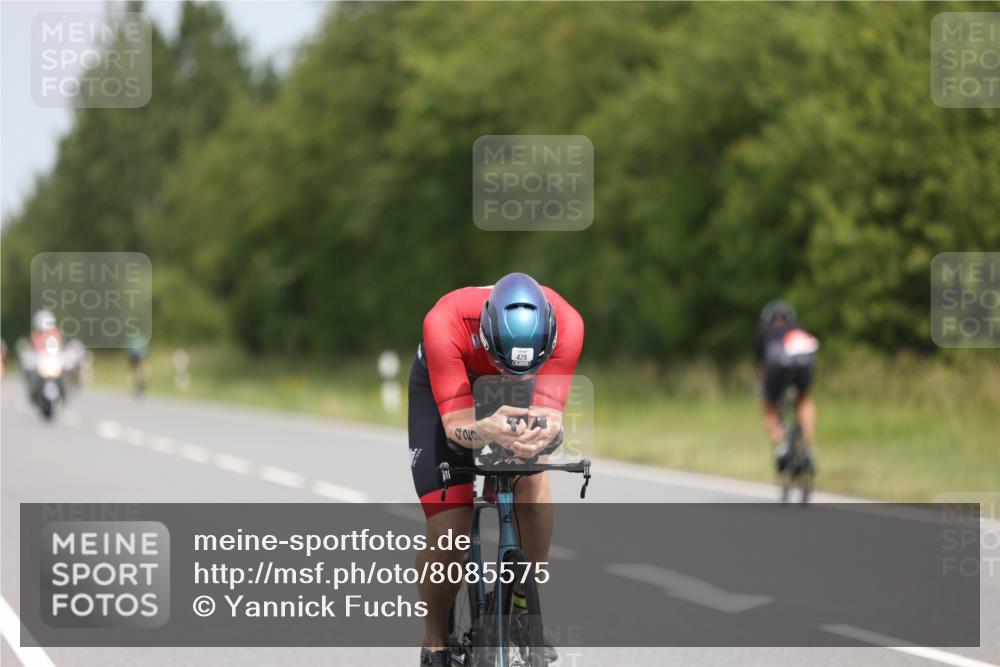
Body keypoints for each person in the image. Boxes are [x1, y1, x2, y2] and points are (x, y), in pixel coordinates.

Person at [409, 273, 584, 667]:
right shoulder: (445, 322)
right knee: (450, 532)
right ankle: (435, 641)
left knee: (533, 484)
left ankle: (522, 608)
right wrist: (485, 428)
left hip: (522, 390)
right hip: (450, 387)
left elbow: (550, 415)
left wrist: (541, 433)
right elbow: (457, 427)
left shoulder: (569, 324)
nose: (509, 372)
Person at [755, 300, 819, 474]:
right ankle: (808, 447)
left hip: (776, 360)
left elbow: (764, 366)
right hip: (804, 359)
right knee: (804, 399)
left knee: (770, 407)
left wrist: (766, 390)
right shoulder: (799, 329)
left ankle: (782, 446)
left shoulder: (765, 332)